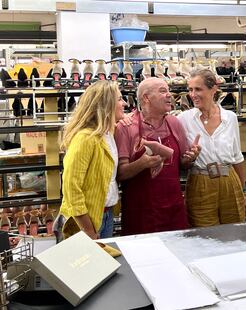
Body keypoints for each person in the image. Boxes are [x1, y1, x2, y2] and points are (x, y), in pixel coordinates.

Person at [114, 78, 199, 235]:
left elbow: (183, 165)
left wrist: (189, 158)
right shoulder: (126, 127)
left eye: (168, 90)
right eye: (162, 91)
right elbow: (120, 173)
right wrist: (142, 163)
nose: (169, 95)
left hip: (173, 207)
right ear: (146, 98)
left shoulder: (174, 123)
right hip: (141, 210)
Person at [178, 68, 246, 227]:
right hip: (200, 181)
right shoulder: (183, 120)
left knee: (234, 232)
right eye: (190, 89)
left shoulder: (230, 118)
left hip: (229, 180)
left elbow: (237, 157)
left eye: (198, 89)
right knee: (204, 236)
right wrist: (189, 159)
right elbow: (182, 162)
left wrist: (244, 192)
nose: (192, 94)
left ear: (213, 89)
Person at [58, 80, 125, 240]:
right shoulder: (86, 138)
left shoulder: (107, 134)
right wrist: (88, 230)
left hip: (105, 214)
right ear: (106, 104)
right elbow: (71, 188)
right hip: (85, 221)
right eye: (120, 99)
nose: (124, 103)